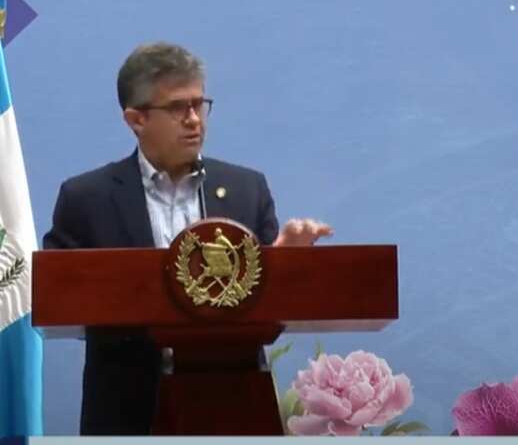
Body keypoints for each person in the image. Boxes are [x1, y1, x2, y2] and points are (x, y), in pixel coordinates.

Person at [42, 42, 333, 435]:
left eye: (200, 104)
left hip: (234, 406)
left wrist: (282, 264)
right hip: (127, 412)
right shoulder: (86, 198)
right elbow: (59, 298)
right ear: (136, 119)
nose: (194, 120)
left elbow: (269, 313)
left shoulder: (246, 189)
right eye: (179, 107)